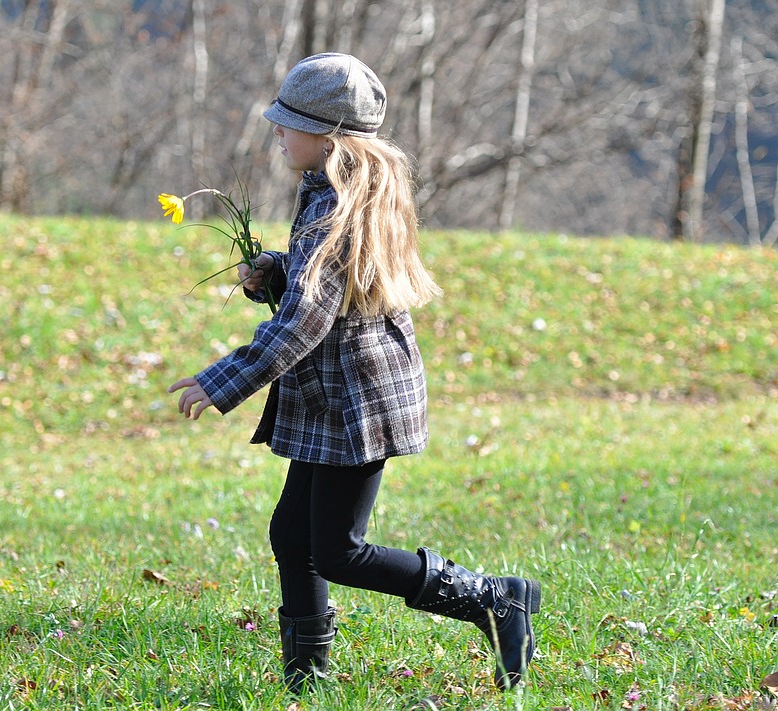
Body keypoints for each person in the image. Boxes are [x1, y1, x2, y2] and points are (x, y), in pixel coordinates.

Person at [167, 52, 541, 693]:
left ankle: (496, 599)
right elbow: (339, 291)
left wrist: (225, 380)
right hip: (338, 396)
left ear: (327, 137)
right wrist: (280, 271)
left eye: (288, 123)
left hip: (354, 405)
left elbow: (308, 323)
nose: (277, 133)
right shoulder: (349, 196)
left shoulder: (333, 208)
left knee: (338, 550)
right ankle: (306, 680)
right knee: (293, 535)